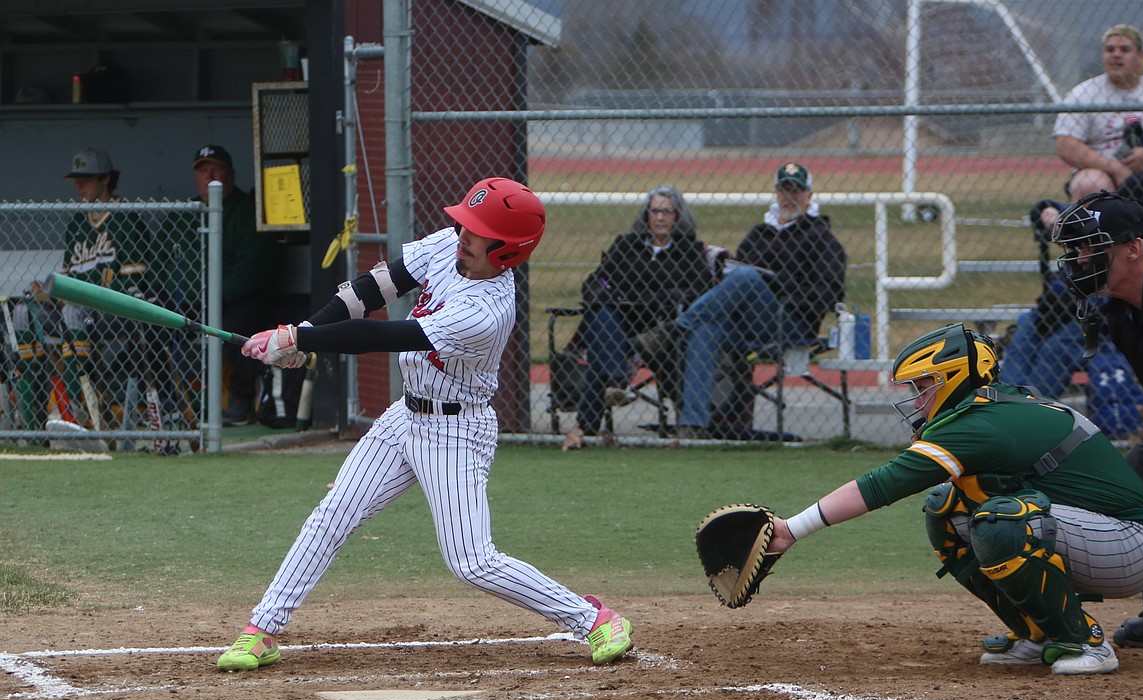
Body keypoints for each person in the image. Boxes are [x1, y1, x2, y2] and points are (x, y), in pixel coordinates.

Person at [216, 178, 634, 671]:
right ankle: (262, 629)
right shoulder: (446, 245)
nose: (463, 235)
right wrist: (304, 333)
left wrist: (296, 340)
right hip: (405, 417)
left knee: (473, 562)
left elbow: (383, 335)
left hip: (456, 432)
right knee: (333, 516)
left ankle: (593, 619)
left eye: (478, 233)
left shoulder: (486, 311)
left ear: (507, 251)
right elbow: (368, 292)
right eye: (465, 225)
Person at [762, 322, 1143, 675]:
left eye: (924, 386)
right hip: (1101, 534)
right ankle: (1039, 633)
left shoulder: (982, 422)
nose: (917, 399)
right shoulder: (983, 409)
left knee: (1003, 520)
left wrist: (790, 530)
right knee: (946, 508)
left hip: (1135, 542)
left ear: (954, 378)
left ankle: (1086, 640)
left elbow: (884, 484)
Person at [1053, 191, 1143, 648]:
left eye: (1090, 247)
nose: (1080, 260)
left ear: (1133, 248)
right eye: (1076, 250)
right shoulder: (1123, 315)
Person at [665, 162, 846, 438]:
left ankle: (674, 329)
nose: (789, 197)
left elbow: (830, 293)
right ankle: (693, 425)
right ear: (775, 192)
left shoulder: (822, 238)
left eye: (796, 191)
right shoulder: (759, 234)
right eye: (784, 190)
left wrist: (780, 285)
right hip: (747, 323)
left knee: (748, 278)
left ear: (809, 195)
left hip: (791, 323)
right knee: (707, 328)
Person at [560, 185, 714, 451]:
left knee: (602, 341)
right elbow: (596, 282)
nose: (660, 218)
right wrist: (612, 297)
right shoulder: (626, 245)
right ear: (646, 215)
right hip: (622, 324)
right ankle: (615, 383)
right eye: (655, 211)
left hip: (663, 331)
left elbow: (696, 292)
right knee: (603, 317)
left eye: (667, 211)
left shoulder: (690, 251)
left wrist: (638, 296)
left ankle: (587, 423)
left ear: (677, 216)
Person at [13, 147, 152, 431]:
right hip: (75, 311)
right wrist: (49, 291)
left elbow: (133, 286)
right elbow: (67, 278)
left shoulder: (126, 218)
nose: (79, 185)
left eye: (86, 178)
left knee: (74, 312)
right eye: (77, 179)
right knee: (22, 312)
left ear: (106, 179)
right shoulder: (78, 222)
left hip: (116, 311)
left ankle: (77, 414)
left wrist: (79, 296)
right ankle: (33, 420)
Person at [160, 144, 276, 425]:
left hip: (233, 301)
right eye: (202, 170)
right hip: (187, 302)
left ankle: (241, 399)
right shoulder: (183, 215)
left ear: (231, 174)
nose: (209, 175)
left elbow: (251, 272)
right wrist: (190, 295)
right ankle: (168, 400)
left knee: (243, 322)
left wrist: (211, 295)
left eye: (217, 168)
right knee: (153, 320)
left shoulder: (247, 211)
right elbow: (161, 264)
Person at [998, 168, 1114, 400]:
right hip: (1062, 309)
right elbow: (1043, 210)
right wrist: (1048, 210)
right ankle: (1006, 402)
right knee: (1026, 328)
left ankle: (1033, 411)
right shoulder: (1076, 215)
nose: (1068, 205)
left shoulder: (1116, 221)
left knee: (1055, 348)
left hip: (1098, 319)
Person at [1053, 23, 1143, 226]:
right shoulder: (1085, 93)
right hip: (1102, 170)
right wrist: (1115, 169)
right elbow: (1065, 143)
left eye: (1125, 49)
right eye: (1110, 50)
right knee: (1089, 183)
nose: (1116, 55)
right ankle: (1092, 250)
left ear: (1140, 56)